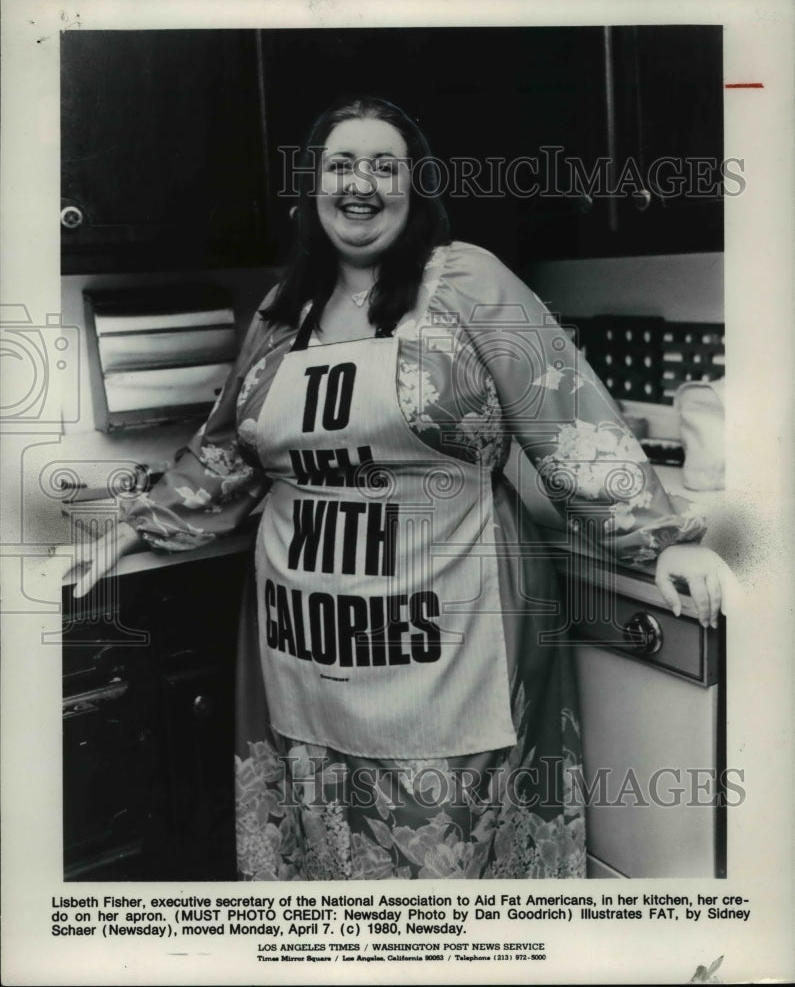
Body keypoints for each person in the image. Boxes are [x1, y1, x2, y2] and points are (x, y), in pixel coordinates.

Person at [68, 96, 733, 880]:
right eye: (341, 165)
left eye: (385, 166)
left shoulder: (468, 281)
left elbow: (566, 414)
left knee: (446, 855)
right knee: (324, 853)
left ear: (414, 187)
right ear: (311, 188)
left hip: (450, 631)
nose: (362, 184)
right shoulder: (282, 312)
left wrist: (657, 543)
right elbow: (224, 454)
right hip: (304, 639)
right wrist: (139, 523)